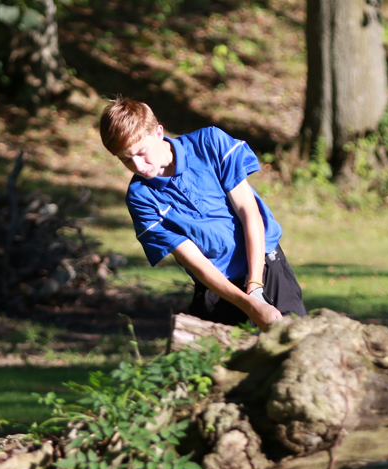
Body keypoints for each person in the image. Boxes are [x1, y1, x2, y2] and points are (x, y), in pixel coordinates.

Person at [99, 97, 307, 332]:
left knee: (298, 344)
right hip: (217, 289)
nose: (138, 166)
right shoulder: (141, 198)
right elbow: (195, 261)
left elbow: (249, 213)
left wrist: (256, 287)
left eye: (141, 152)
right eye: (126, 159)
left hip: (266, 264)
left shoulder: (210, 143)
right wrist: (249, 305)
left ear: (158, 133)